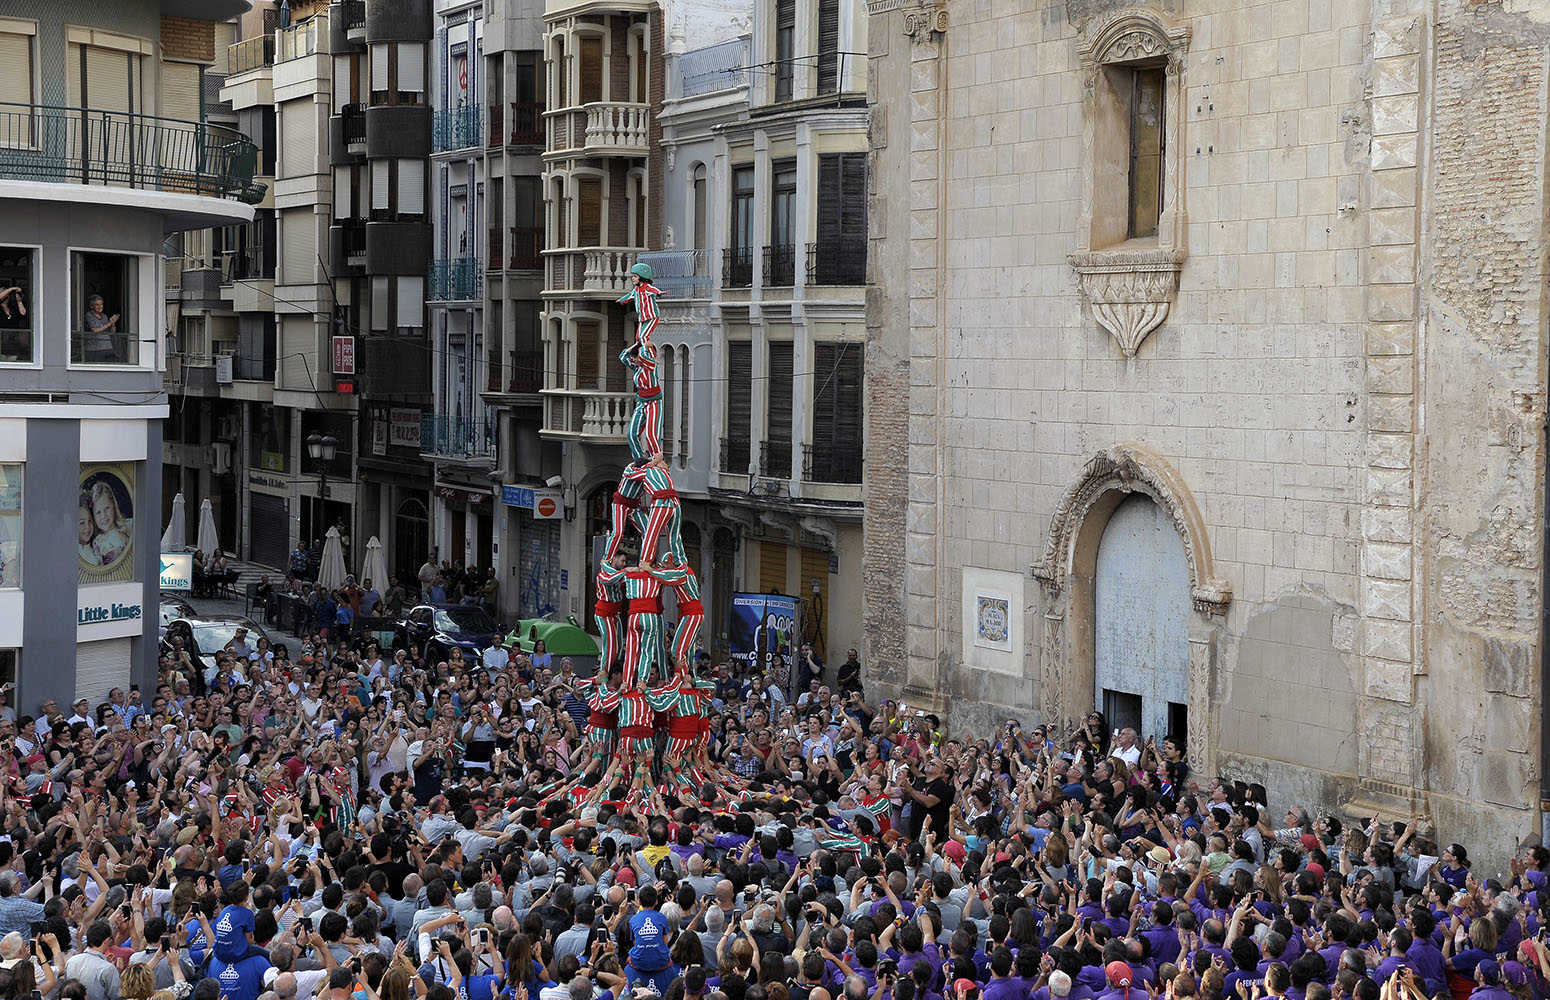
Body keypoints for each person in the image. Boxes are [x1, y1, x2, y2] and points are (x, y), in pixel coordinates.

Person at [87, 480, 132, 567]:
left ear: (114, 506)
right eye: (98, 512)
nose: (103, 516)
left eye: (107, 508)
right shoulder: (97, 542)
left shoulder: (128, 526)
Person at [80, 294, 121, 363]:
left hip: (108, 348)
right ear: (91, 306)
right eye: (97, 305)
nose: (100, 307)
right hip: (94, 349)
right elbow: (95, 330)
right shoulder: (89, 315)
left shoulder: (104, 316)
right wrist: (109, 323)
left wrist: (113, 323)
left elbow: (112, 332)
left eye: (101, 304)